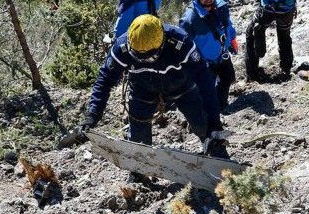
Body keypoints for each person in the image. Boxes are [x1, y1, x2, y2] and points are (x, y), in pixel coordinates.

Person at [80, 14, 230, 161]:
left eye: (150, 57)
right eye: (138, 57)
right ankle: (139, 172)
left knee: (204, 125)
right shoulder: (121, 47)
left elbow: (205, 81)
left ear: (162, 43)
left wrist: (214, 121)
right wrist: (93, 115)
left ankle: (221, 159)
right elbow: (104, 80)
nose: (145, 61)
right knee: (138, 140)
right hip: (143, 90)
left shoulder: (180, 42)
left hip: (182, 87)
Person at [179, 0, 238, 111]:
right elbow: (183, 46)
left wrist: (232, 40)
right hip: (204, 63)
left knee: (228, 78)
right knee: (206, 90)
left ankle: (221, 105)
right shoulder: (189, 19)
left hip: (222, 56)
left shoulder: (220, 7)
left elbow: (227, 25)